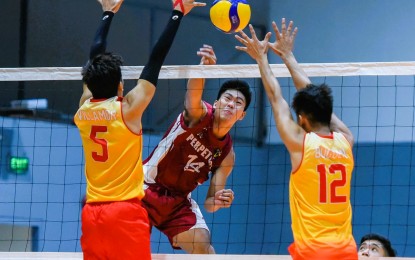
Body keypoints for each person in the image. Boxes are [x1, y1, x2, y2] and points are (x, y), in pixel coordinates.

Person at [74, 0, 205, 259]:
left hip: (91, 214)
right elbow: (155, 59)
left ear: (89, 83)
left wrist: (107, 13)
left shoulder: (83, 110)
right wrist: (178, 11)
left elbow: (94, 58)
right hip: (124, 211)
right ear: (121, 86)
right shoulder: (129, 110)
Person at [235, 19, 358, 259]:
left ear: (301, 119)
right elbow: (314, 99)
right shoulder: (346, 140)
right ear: (327, 110)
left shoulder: (301, 145)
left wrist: (261, 57)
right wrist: (288, 56)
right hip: (346, 250)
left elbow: (275, 97)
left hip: (313, 251)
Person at [142, 44, 252, 254]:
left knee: (203, 246)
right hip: (146, 188)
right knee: (132, 250)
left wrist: (219, 201)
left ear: (242, 115)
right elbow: (192, 95)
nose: (231, 104)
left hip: (177, 202)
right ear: (217, 102)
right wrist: (202, 69)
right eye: (227, 98)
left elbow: (210, 203)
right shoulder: (199, 115)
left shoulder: (227, 155)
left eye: (238, 103)